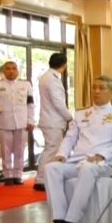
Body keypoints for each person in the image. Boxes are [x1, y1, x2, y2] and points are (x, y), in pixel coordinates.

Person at [40, 76, 112, 223]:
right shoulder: (81, 114)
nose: (96, 91)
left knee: (88, 168)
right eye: (94, 87)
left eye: (101, 88)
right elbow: (70, 138)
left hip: (106, 164)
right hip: (78, 161)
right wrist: (61, 155)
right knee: (51, 168)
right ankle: (58, 220)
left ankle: (73, 222)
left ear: (111, 92)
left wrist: (101, 155)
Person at [0, 61, 36, 186]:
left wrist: (31, 120)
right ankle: (8, 175)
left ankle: (18, 175)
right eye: (8, 69)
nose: (11, 71)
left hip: (22, 121)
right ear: (4, 71)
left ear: (17, 70)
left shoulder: (25, 85)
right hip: (4, 121)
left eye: (14, 68)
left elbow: (30, 104)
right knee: (5, 150)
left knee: (20, 150)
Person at [35, 52, 72, 191]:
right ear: (64, 65)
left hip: (49, 119)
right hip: (53, 121)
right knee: (51, 150)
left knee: (51, 149)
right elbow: (58, 102)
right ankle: (41, 179)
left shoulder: (47, 76)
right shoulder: (52, 79)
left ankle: (45, 177)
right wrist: (69, 117)